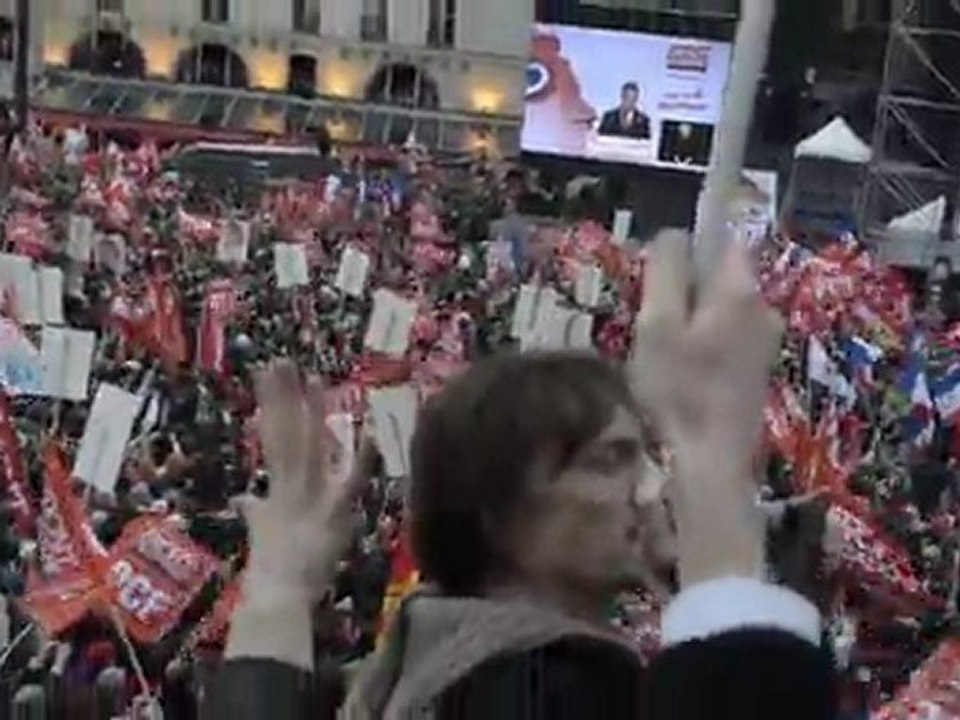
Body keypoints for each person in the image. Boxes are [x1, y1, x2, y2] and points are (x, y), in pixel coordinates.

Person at [214, 231, 836, 719]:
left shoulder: (421, 670)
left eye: (647, 455)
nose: (651, 487)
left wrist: (278, 594)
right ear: (499, 513)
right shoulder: (539, 686)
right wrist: (715, 482)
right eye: (609, 460)